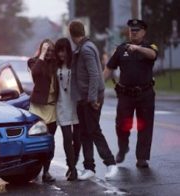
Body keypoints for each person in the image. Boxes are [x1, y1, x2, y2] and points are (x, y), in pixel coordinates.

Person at [103, 19, 158, 168]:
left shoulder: (149, 47)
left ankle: (142, 157)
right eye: (131, 30)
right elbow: (109, 68)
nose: (133, 32)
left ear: (143, 32)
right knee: (121, 124)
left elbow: (153, 55)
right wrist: (99, 85)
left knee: (145, 126)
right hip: (126, 94)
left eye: (137, 30)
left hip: (145, 93)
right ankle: (123, 147)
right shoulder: (121, 49)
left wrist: (137, 49)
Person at [69, 20, 118, 180]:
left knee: (94, 131)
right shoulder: (84, 47)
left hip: (91, 98)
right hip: (83, 98)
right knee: (85, 133)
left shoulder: (86, 49)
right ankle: (89, 167)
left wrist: (92, 98)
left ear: (71, 34)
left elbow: (95, 75)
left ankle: (111, 163)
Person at [28, 39, 58, 182]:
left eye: (51, 51)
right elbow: (36, 73)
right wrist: (42, 54)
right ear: (41, 50)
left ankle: (46, 172)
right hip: (38, 108)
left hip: (52, 109)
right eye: (47, 50)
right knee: (35, 142)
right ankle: (32, 171)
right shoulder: (34, 62)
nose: (49, 53)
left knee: (49, 142)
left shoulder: (55, 64)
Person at [54, 38, 81, 181]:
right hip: (62, 105)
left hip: (76, 105)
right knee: (67, 138)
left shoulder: (75, 64)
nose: (61, 54)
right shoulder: (55, 67)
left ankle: (72, 163)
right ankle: (73, 168)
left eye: (63, 50)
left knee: (77, 139)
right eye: (58, 51)